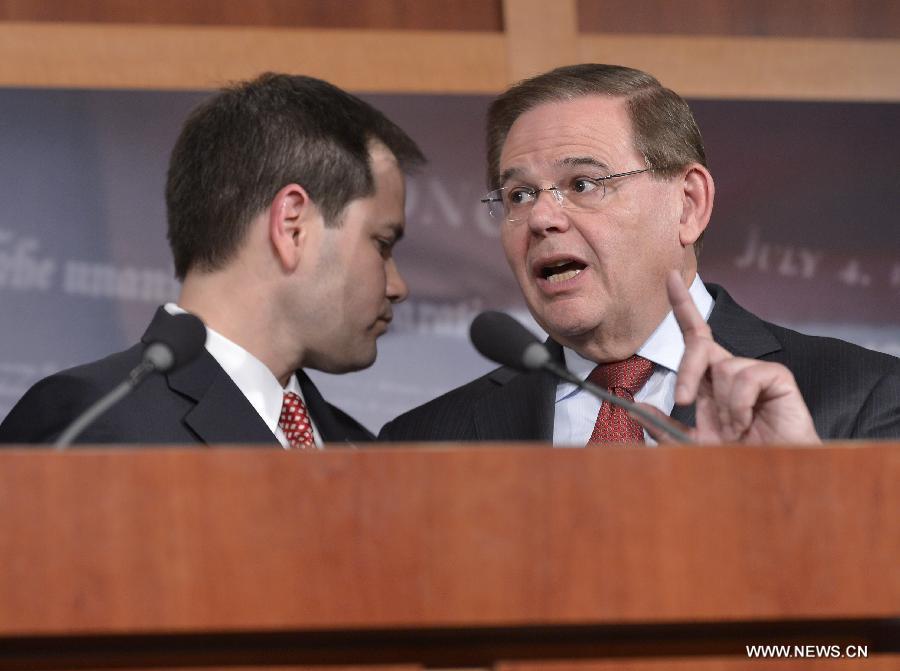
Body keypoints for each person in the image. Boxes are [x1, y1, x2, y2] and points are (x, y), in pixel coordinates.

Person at [380, 64, 899, 444]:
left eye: (582, 183)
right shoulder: (424, 441)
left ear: (688, 204)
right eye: (519, 195)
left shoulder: (863, 396)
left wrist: (790, 495)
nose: (542, 217)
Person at [0, 73, 425, 447]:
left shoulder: (360, 449)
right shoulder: (89, 424)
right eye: (383, 244)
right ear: (292, 225)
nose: (397, 286)